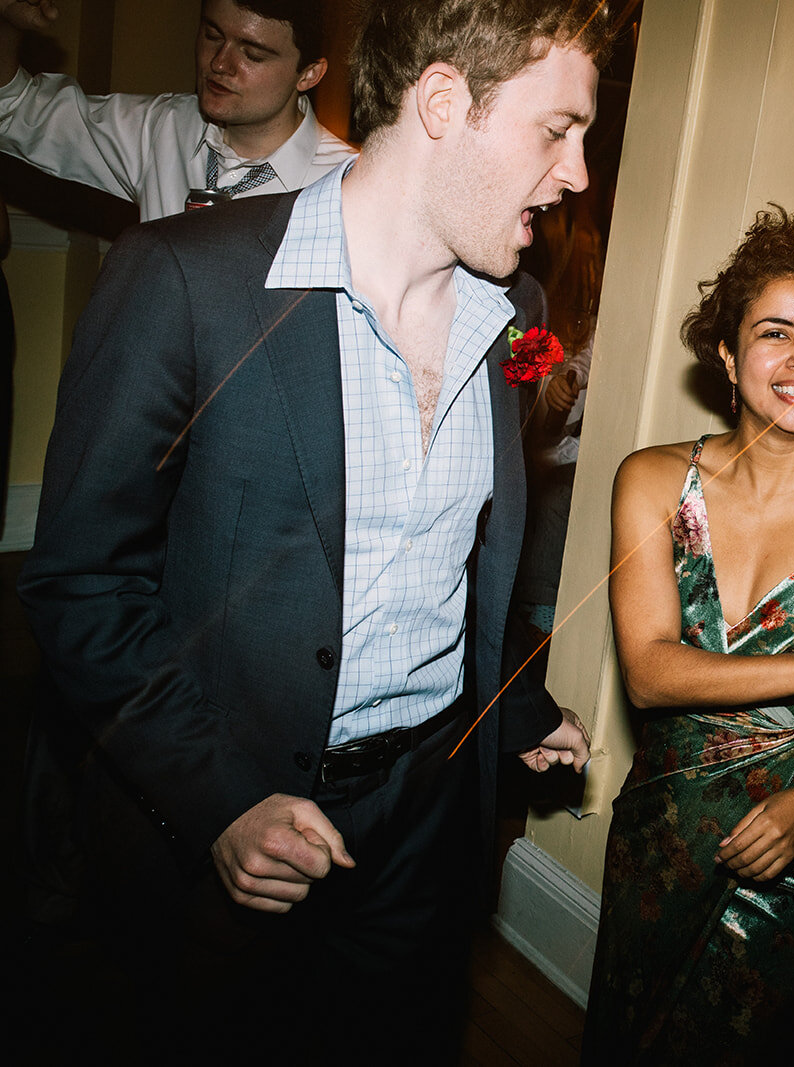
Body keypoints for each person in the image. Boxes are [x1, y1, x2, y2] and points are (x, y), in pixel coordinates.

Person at [16, 0, 610, 1061]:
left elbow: (463, 555)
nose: (576, 173)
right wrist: (219, 798)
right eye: (556, 129)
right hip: (219, 826)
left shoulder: (515, 313)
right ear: (442, 103)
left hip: (429, 822)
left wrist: (517, 704)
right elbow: (82, 582)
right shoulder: (182, 278)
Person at [585, 207, 794, 1064]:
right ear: (729, 356)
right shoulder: (652, 479)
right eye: (776, 333)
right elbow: (652, 674)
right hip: (664, 835)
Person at [0, 0, 353, 222]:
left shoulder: (347, 185)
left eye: (252, 54)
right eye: (213, 35)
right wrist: (7, 26)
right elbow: (14, 110)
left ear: (309, 74)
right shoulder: (161, 129)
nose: (219, 63)